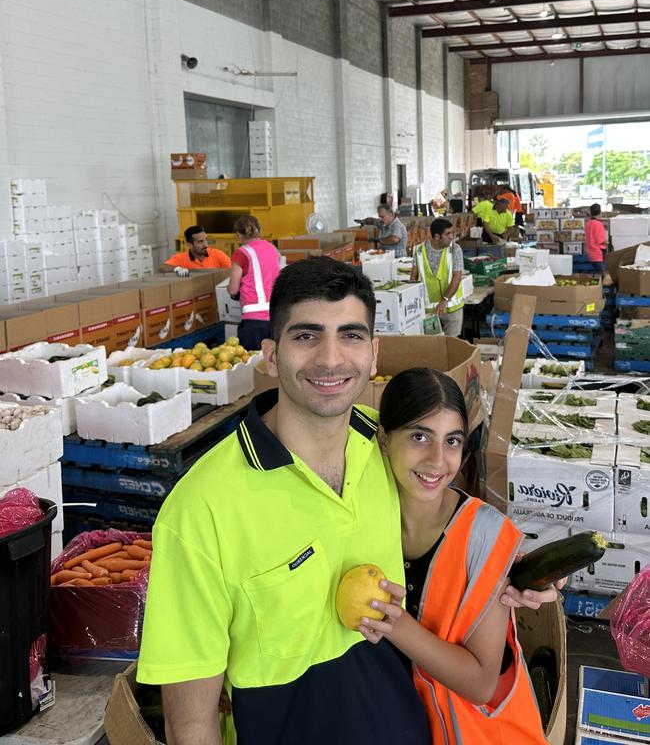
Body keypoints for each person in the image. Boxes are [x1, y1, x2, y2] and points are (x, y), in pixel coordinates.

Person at [137, 258, 563, 745]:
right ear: (271, 356)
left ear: (374, 353)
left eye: (352, 336)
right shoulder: (201, 509)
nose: (331, 358)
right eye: (306, 336)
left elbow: (446, 525)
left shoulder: (382, 446)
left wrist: (515, 570)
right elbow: (190, 723)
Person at [360, 368, 549, 745]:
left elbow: (481, 683)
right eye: (419, 436)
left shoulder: (485, 537)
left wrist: (396, 625)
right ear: (384, 440)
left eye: (452, 441)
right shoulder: (361, 523)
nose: (437, 460)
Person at [227, 215, 281, 350]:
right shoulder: (272, 249)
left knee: (253, 364)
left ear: (238, 235)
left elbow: (233, 289)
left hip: (254, 321)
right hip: (276, 316)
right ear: (259, 229)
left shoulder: (242, 253)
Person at [411, 218, 465, 337]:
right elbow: (413, 278)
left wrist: (444, 300)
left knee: (451, 346)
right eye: (447, 234)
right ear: (436, 236)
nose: (451, 237)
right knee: (432, 348)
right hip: (429, 311)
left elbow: (457, 277)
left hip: (452, 308)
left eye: (452, 233)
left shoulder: (455, 250)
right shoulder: (419, 251)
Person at [160, 225, 231, 276]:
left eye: (206, 240)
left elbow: (233, 270)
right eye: (200, 242)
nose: (206, 245)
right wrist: (177, 269)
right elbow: (163, 267)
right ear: (190, 245)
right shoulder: (181, 258)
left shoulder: (217, 254)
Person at [585, 203, 607, 274]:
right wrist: (607, 242)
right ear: (600, 213)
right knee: (602, 276)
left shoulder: (588, 224)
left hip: (590, 254)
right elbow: (600, 240)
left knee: (597, 274)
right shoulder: (598, 225)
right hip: (598, 254)